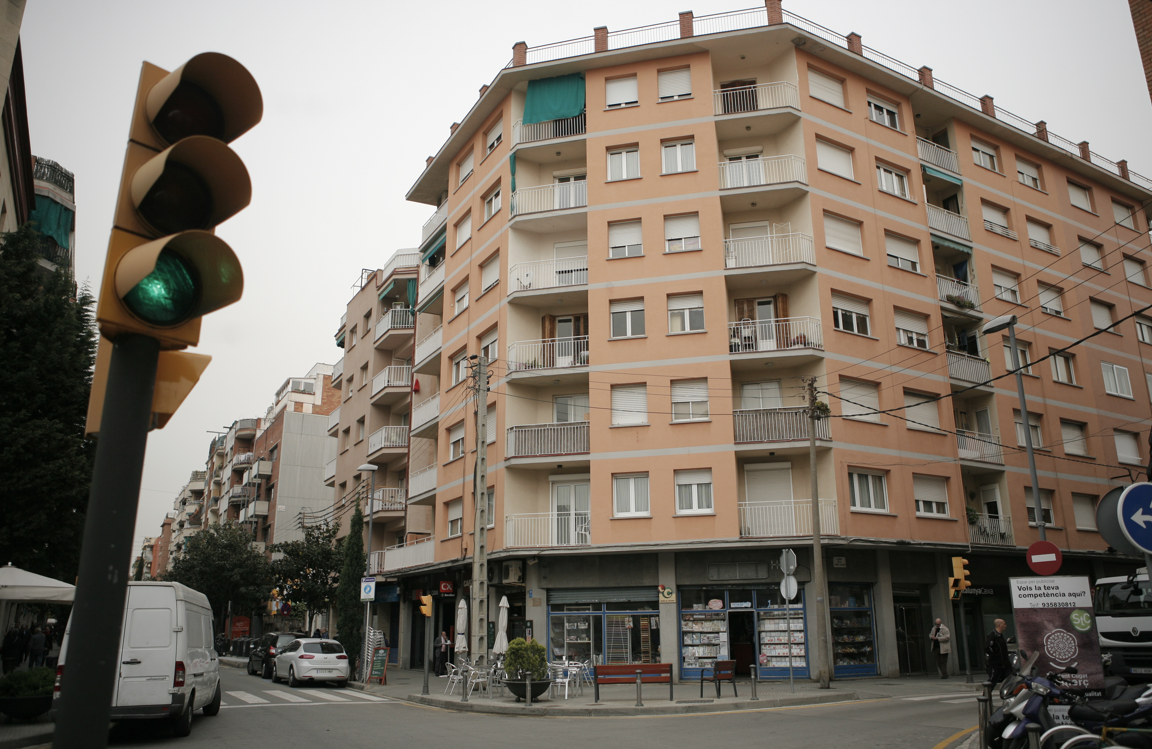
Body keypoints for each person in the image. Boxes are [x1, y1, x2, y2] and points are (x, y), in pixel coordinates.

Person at [985, 618, 1010, 688]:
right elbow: (987, 647)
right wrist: (994, 656)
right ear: (1000, 625)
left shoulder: (1000, 636)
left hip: (1005, 663)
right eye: (1004, 624)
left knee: (1010, 678)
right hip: (996, 664)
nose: (1005, 625)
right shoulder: (993, 636)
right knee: (993, 680)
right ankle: (987, 693)